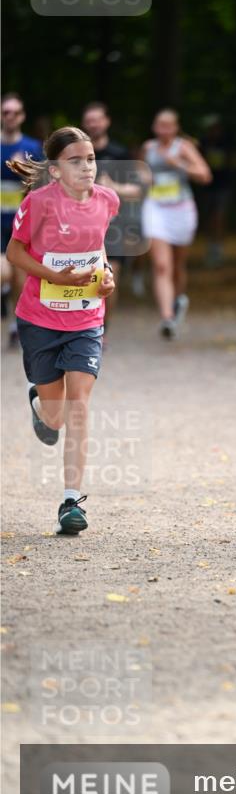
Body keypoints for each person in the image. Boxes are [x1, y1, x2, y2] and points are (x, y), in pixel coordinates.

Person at [5, 127, 118, 534]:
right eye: (75, 161)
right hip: (39, 320)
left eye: (89, 159)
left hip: (87, 319)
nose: (86, 167)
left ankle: (73, 501)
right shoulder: (38, 204)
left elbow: (99, 248)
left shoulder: (107, 200)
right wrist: (55, 275)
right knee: (55, 417)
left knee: (79, 406)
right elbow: (14, 252)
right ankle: (39, 405)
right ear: (54, 171)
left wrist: (105, 276)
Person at [140, 109, 212, 338]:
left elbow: (205, 174)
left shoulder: (183, 147)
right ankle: (167, 317)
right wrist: (143, 178)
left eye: (167, 125)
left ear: (175, 127)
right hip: (155, 209)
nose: (163, 129)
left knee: (178, 266)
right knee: (162, 266)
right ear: (154, 127)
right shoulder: (148, 148)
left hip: (181, 210)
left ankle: (178, 299)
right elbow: (141, 174)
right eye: (159, 124)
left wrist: (180, 164)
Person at [81, 101, 142, 333]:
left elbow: (137, 190)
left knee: (108, 274)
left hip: (112, 226)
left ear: (106, 122)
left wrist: (113, 187)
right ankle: (85, 327)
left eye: (97, 119)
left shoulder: (119, 153)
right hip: (81, 226)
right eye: (89, 120)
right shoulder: (76, 153)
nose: (93, 124)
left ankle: (103, 329)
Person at [1, 93, 43, 348]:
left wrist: (23, 169)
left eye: (14, 112)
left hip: (22, 220)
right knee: (3, 273)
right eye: (6, 112)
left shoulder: (32, 147)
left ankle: (16, 323)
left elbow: (42, 182)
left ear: (22, 116)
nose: (10, 116)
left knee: (19, 275)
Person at [197, 115, 236, 268]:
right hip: (208, 187)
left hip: (223, 186)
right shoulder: (203, 143)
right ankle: (211, 246)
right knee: (209, 217)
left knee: (219, 216)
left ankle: (218, 248)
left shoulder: (227, 143)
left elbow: (233, 162)